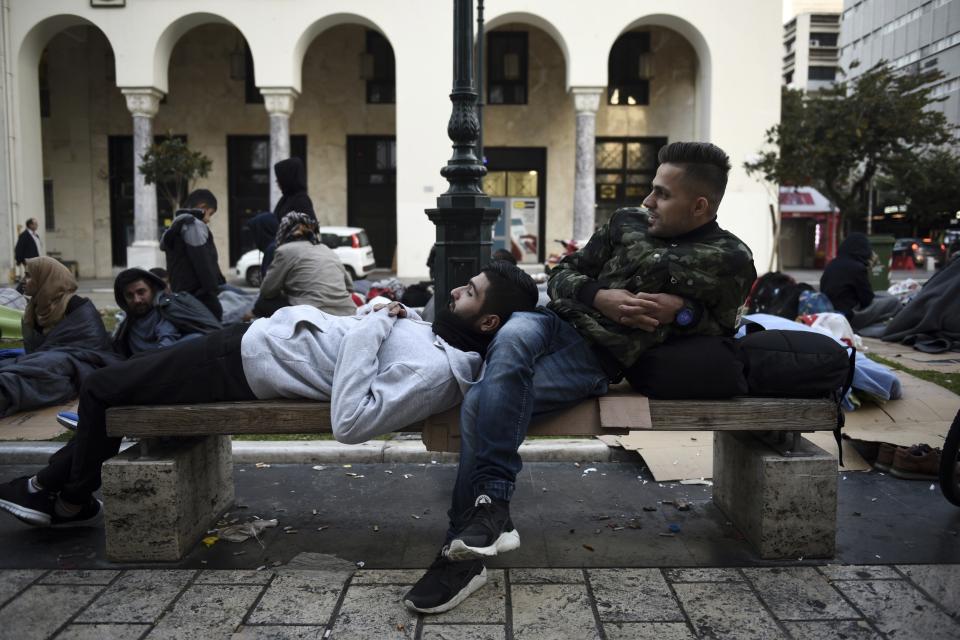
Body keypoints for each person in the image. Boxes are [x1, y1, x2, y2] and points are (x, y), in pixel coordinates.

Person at [404, 141, 757, 614]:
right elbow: (563, 272)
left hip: (596, 359)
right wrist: (599, 295)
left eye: (661, 194)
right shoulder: (625, 224)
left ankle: (464, 548)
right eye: (651, 190)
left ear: (699, 205)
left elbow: (726, 325)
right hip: (551, 322)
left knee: (482, 400)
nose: (648, 201)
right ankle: (489, 515)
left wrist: (686, 312)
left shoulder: (730, 257)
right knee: (513, 336)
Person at [0, 261, 537, 529]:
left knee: (97, 388)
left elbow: (350, 423)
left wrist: (373, 325)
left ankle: (67, 495)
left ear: (488, 321)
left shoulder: (439, 373)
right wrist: (382, 314)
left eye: (469, 292)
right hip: (247, 346)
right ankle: (50, 482)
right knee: (115, 391)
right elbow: (362, 345)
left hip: (241, 366)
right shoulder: (437, 339)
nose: (458, 288)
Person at [0, 257, 120, 417]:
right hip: (44, 361)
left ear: (45, 278)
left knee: (47, 366)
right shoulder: (33, 310)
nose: (23, 280)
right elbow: (33, 351)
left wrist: (49, 356)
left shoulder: (75, 304)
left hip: (80, 362)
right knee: (18, 365)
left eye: (29, 276)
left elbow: (94, 345)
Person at [254, 212, 356, 318]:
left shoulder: (284, 251)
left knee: (262, 303)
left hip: (313, 314)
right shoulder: (326, 249)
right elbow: (350, 287)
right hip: (347, 311)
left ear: (284, 232)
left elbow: (267, 291)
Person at [111, 268, 218, 357]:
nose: (137, 300)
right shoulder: (128, 323)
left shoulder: (164, 311)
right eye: (130, 295)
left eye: (141, 292)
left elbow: (166, 345)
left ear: (152, 290)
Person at [161, 189, 224, 321]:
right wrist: (213, 290)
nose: (208, 220)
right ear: (203, 207)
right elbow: (203, 261)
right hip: (199, 296)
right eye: (210, 214)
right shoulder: (194, 224)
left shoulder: (176, 225)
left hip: (182, 294)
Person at [820, 232, 900, 331]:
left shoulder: (832, 263)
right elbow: (867, 300)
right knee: (893, 301)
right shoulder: (857, 267)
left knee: (884, 294)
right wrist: (867, 269)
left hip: (831, 312)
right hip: (849, 315)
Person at [273, 157, 315, 223]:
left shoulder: (301, 201)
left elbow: (308, 228)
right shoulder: (285, 199)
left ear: (288, 178)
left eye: (280, 178)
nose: (277, 181)